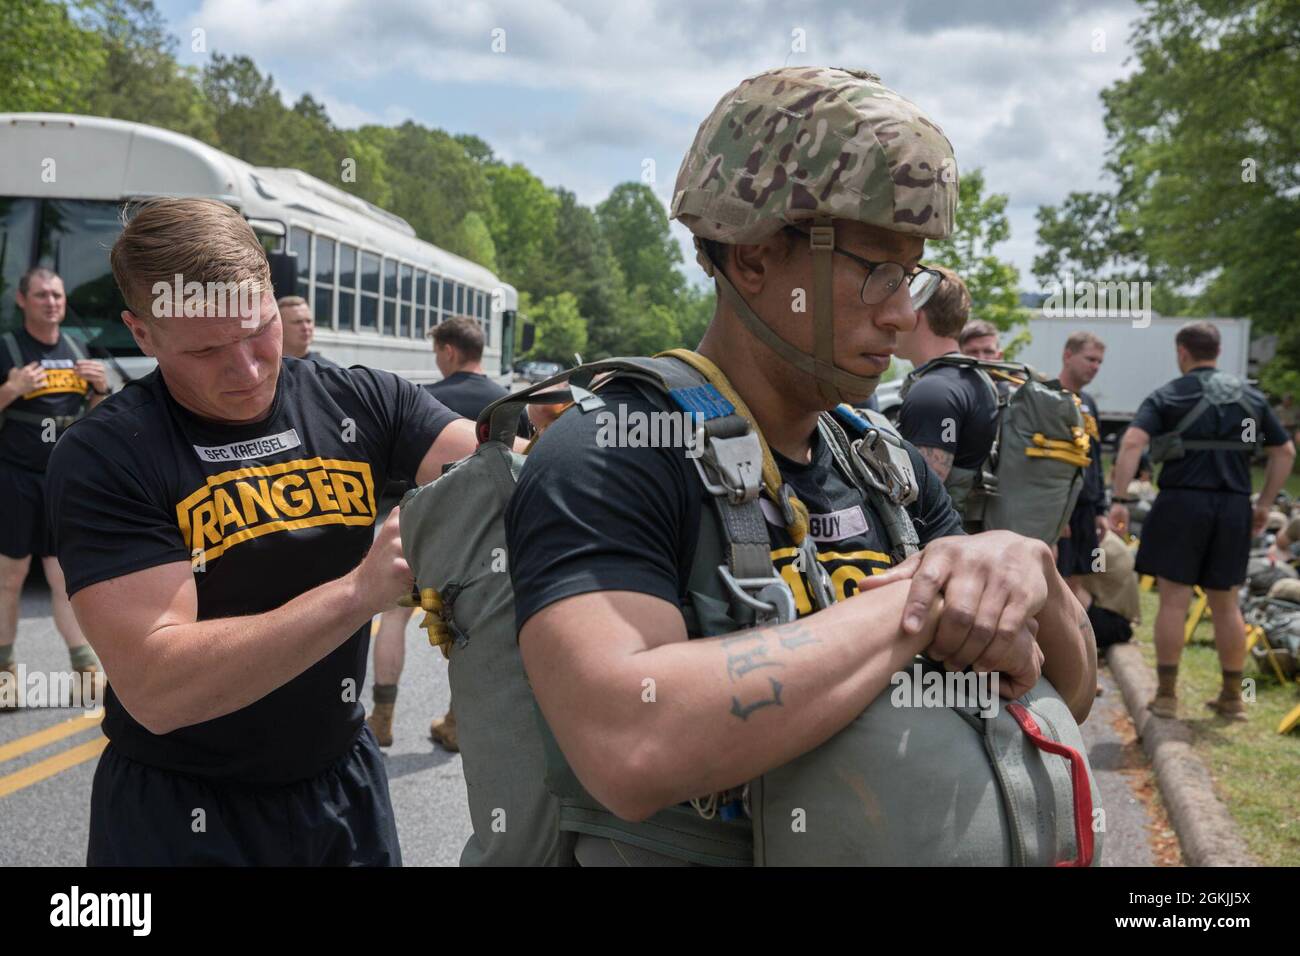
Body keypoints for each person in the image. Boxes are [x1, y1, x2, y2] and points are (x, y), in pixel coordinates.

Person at [505, 66, 1095, 865]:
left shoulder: (882, 464)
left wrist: (1034, 576)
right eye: (876, 270)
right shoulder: (612, 455)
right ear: (752, 258)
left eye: (913, 273)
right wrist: (912, 608)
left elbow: (1073, 691)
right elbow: (630, 741)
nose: (902, 312)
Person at [45, 198, 486, 865]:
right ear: (143, 335)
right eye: (205, 350)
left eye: (259, 330)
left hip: (341, 788)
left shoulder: (357, 401)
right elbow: (160, 688)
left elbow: (497, 475)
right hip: (183, 811)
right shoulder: (109, 453)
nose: (247, 369)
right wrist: (356, 595)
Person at [1110, 321, 1295, 721]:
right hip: (1231, 508)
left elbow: (1131, 443)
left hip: (1180, 505)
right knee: (1226, 604)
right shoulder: (1250, 397)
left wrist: (1121, 498)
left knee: (1174, 601)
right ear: (1219, 350)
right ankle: (1232, 698)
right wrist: (1263, 503)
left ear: (1182, 352)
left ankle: (1166, 697)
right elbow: (1284, 452)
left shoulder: (1168, 395)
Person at [367, 315, 519, 752]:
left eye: (437, 352)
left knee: (394, 619)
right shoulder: (509, 404)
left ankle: (381, 718)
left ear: (450, 352)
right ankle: (455, 721)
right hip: (482, 547)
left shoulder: (423, 401)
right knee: (463, 631)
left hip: (424, 540)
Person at [0, 268, 109, 707]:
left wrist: (100, 389)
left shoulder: (76, 348)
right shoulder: (7, 348)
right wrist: (10, 389)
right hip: (14, 478)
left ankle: (85, 669)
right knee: (10, 578)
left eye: (58, 295)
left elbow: (95, 423)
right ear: (23, 300)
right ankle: (5, 675)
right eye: (42, 295)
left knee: (66, 578)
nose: (52, 302)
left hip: (60, 480)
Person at [895, 267, 998, 496]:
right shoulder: (973, 378)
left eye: (898, 308)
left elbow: (920, 497)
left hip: (940, 533)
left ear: (916, 315)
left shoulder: (933, 391)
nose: (892, 319)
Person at [1054, 332, 1109, 600]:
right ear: (1067, 355)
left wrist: (1101, 509)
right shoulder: (1048, 397)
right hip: (1059, 508)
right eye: (1090, 359)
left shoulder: (1089, 403)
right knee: (1055, 584)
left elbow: (1095, 459)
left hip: (1086, 508)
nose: (1095, 367)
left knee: (1078, 582)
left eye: (1099, 362)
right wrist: (1055, 512)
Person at [277, 295, 339, 369]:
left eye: (309, 321)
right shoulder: (265, 369)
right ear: (279, 326)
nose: (306, 328)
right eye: (297, 322)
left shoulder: (328, 371)